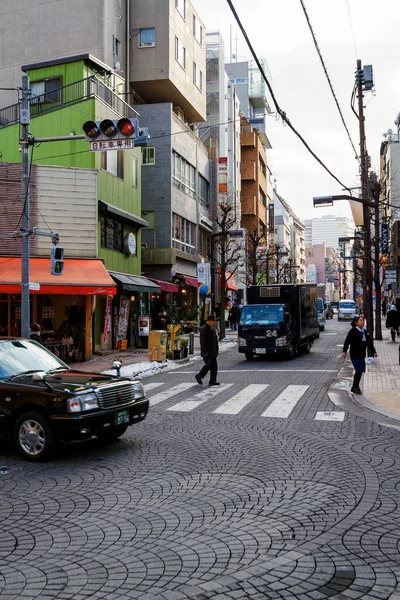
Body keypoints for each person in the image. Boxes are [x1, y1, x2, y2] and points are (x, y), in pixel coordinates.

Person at [342, 314, 377, 394]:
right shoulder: (352, 331)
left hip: (362, 354)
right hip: (354, 354)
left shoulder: (365, 332)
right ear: (356, 322)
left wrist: (374, 352)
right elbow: (347, 342)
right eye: (360, 320)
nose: (362, 322)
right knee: (358, 369)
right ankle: (355, 387)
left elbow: (369, 343)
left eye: (363, 320)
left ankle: (355, 386)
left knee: (360, 371)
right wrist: (344, 351)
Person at [195, 314, 220, 386]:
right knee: (208, 365)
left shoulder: (212, 328)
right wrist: (204, 352)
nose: (214, 322)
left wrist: (216, 349)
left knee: (214, 367)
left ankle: (212, 380)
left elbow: (215, 340)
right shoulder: (203, 329)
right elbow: (202, 342)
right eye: (213, 321)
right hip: (207, 351)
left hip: (213, 351)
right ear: (209, 321)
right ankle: (199, 375)